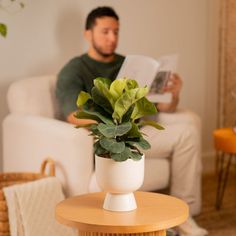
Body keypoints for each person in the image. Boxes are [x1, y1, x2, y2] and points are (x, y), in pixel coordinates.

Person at [56, 6, 208, 236]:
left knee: (187, 131)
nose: (112, 38)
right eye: (105, 31)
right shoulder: (74, 69)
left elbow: (161, 106)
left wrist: (173, 93)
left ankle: (182, 217)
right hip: (106, 140)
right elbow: (73, 115)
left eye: (116, 32)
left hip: (138, 134)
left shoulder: (129, 64)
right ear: (88, 33)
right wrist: (110, 124)